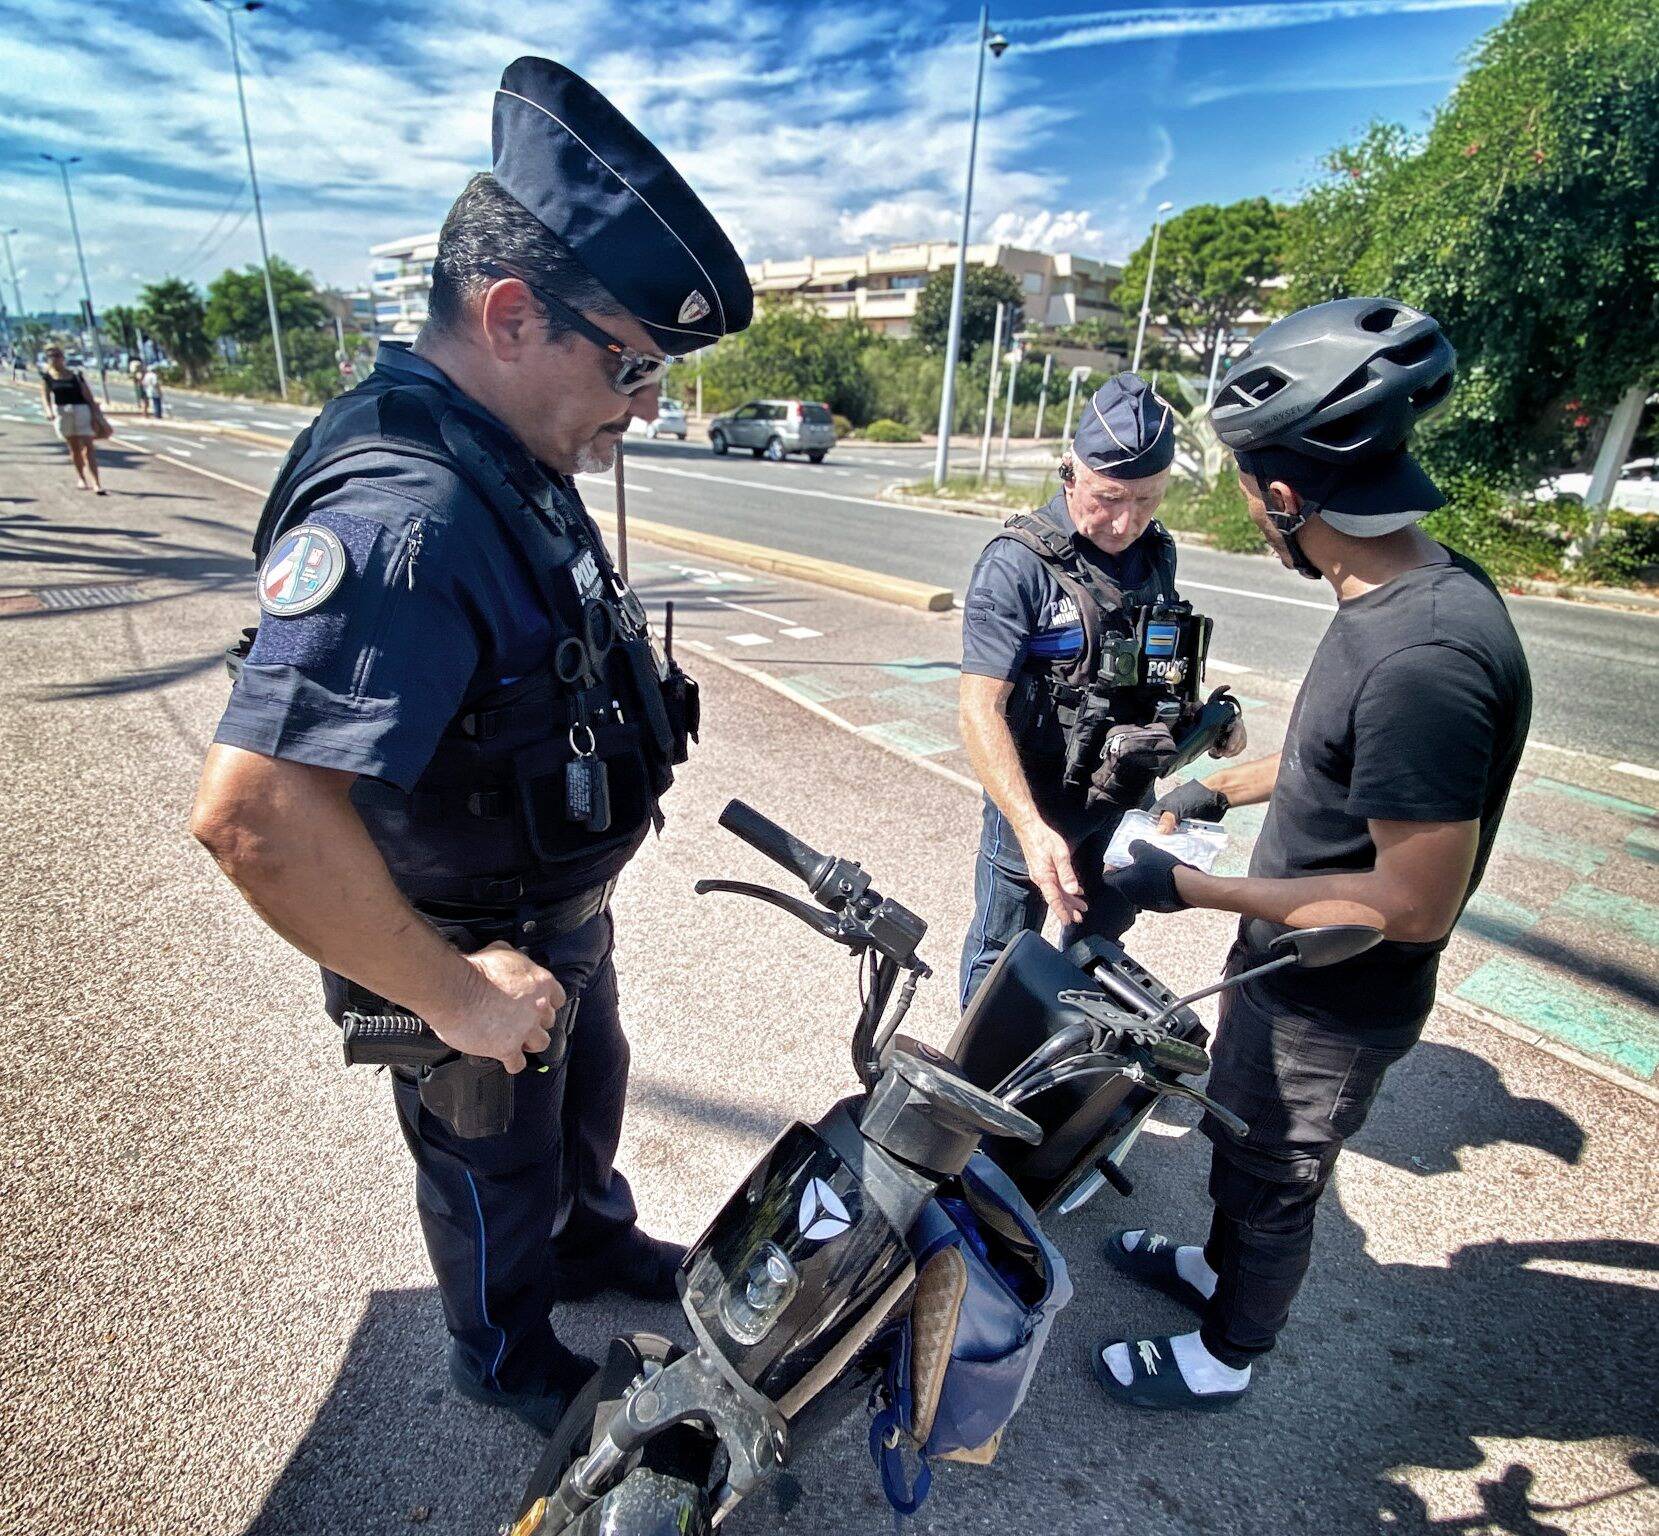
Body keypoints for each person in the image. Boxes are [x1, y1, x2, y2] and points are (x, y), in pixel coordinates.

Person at [189, 57, 752, 1434]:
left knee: (580, 1111)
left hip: (557, 907)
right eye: (630, 363)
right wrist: (451, 995)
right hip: (470, 938)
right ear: (509, 315)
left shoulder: (508, 454)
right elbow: (255, 816)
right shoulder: (403, 513)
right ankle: (502, 1351)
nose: (646, 403)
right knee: (487, 1162)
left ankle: (590, 1243)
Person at [1092, 298, 1532, 1410]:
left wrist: (1185, 885)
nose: (1248, 510)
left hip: (1336, 1002)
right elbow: (1341, 763)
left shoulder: (1425, 656)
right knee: (1242, 1147)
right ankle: (1211, 1272)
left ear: (1286, 496)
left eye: (1249, 490)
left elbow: (1412, 899)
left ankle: (1228, 1355)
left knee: (1279, 1173)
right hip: (1289, 971)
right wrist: (1217, 784)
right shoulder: (1395, 591)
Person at [957, 373, 1244, 1006]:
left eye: (1147, 501)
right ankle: (980, 1083)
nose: (1125, 521)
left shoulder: (1155, 554)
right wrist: (1029, 828)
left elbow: (1159, 659)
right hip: (1039, 799)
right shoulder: (1018, 563)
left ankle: (1077, 1064)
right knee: (1005, 947)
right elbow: (980, 709)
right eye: (1109, 497)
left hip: (1122, 790)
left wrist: (1209, 719)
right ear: (1071, 472)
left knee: (1101, 942)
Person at [39, 344, 105, 493]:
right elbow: (45, 397)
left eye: (56, 355)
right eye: (50, 356)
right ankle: (81, 477)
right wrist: (48, 411)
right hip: (63, 412)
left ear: (62, 358)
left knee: (89, 447)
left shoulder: (75, 375)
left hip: (81, 410)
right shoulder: (47, 378)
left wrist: (95, 414)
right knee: (74, 448)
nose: (54, 359)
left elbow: (88, 396)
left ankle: (96, 483)